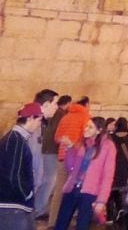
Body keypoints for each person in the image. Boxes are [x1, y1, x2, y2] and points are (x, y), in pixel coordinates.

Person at [55, 117, 115, 230]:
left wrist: (101, 200)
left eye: (90, 127)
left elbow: (108, 175)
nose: (86, 129)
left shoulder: (108, 146)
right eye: (86, 126)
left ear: (99, 130)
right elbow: (70, 167)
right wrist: (70, 148)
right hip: (72, 188)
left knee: (82, 225)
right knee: (60, 224)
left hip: (90, 192)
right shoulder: (82, 143)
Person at [0, 103, 45, 230]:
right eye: (39, 120)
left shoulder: (16, 139)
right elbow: (14, 174)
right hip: (11, 207)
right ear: (30, 118)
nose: (39, 125)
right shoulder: (15, 140)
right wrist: (27, 194)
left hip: (13, 206)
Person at [51, 96, 91, 227]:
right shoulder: (85, 117)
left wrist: (65, 143)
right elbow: (87, 139)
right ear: (86, 105)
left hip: (62, 156)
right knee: (73, 192)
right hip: (76, 158)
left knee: (59, 191)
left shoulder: (65, 117)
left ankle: (53, 222)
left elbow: (56, 137)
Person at [29, 89, 58, 221]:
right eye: (55, 103)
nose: (56, 107)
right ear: (46, 104)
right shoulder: (33, 123)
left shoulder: (39, 123)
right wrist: (35, 178)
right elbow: (31, 153)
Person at [38, 94, 68, 221]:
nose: (56, 106)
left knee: (45, 180)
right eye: (54, 103)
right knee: (48, 182)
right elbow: (56, 134)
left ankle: (38, 209)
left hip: (46, 150)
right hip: (51, 151)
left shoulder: (53, 116)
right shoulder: (60, 115)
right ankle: (39, 209)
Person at [108, 118, 128, 223]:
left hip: (113, 166)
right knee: (122, 189)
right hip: (125, 167)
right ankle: (122, 210)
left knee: (111, 190)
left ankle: (109, 216)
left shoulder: (111, 138)